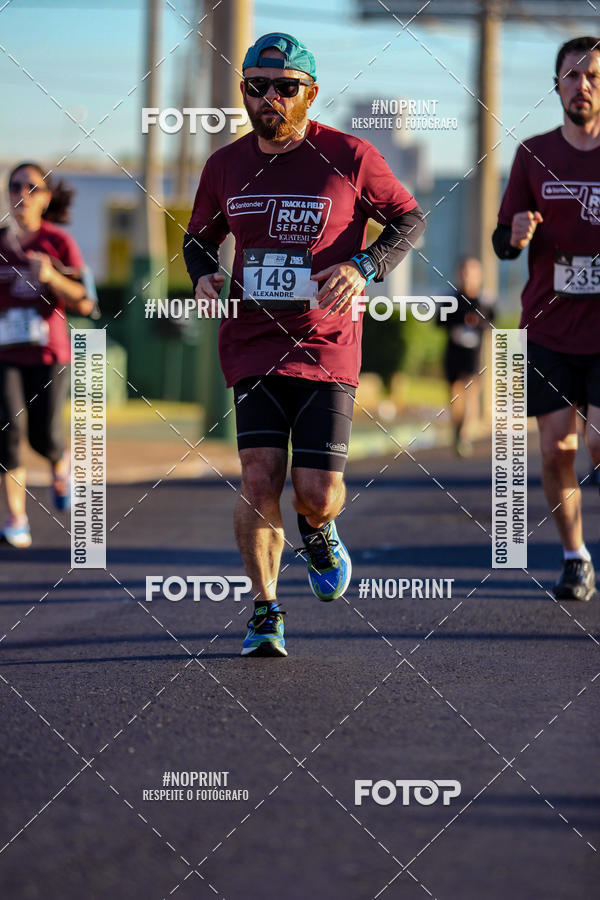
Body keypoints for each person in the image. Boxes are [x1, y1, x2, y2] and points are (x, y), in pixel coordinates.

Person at [184, 32, 425, 656]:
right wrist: (202, 272)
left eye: (286, 87)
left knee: (316, 493)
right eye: (257, 87)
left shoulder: (348, 154)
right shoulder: (225, 165)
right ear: (244, 93)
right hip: (252, 339)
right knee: (258, 476)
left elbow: (408, 218)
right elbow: (199, 238)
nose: (270, 98)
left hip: (326, 343)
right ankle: (265, 611)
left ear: (310, 95)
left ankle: (318, 531)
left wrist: (363, 267)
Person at [493, 35, 600, 602]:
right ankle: (575, 556)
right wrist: (513, 236)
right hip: (548, 326)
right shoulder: (532, 154)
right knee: (558, 449)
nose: (581, 86)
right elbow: (502, 242)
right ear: (556, 84)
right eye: (571, 76)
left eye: (592, 77)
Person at [0, 162, 94, 548]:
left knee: (44, 437)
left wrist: (53, 278)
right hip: (5, 353)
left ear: (46, 197)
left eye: (32, 187)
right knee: (8, 432)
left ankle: (60, 462)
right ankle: (16, 519)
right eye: (15, 186)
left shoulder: (59, 244)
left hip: (48, 354)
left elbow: (87, 303)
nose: (23, 193)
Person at [438, 256, 495, 457]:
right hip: (453, 354)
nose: (467, 277)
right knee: (456, 397)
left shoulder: (485, 300)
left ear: (479, 275)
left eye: (472, 273)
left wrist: (476, 323)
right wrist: (457, 322)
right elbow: (438, 321)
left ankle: (465, 436)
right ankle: (457, 430)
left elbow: (491, 323)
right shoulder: (450, 298)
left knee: (470, 393)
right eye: (464, 272)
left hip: (474, 356)